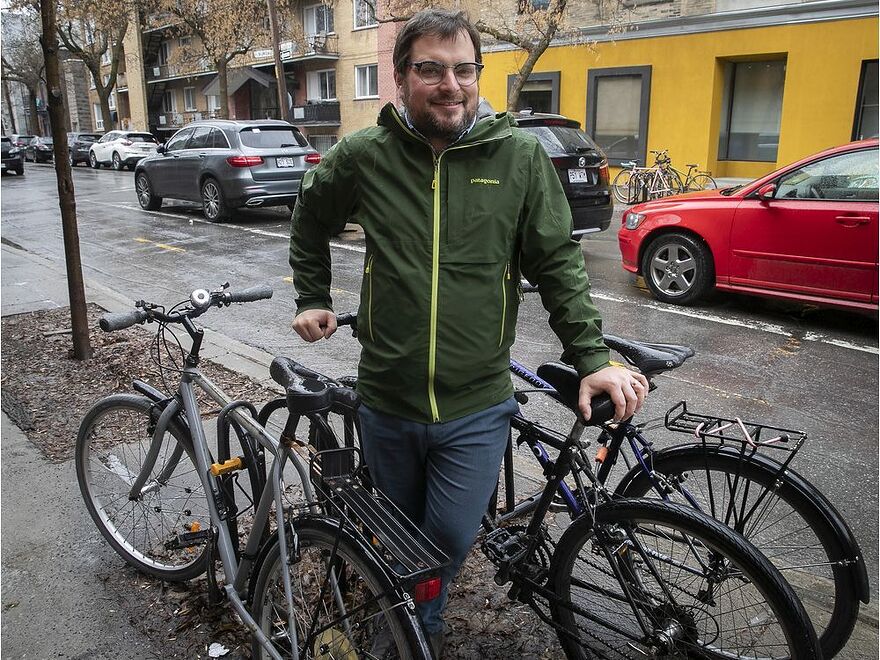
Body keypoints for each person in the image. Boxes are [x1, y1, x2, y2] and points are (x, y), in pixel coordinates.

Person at [289, 8, 648, 656]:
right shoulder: (365, 156)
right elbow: (310, 216)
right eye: (430, 69)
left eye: (463, 70)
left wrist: (592, 354)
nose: (449, 84)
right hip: (388, 398)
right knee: (397, 539)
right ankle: (401, 626)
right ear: (400, 79)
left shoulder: (515, 158)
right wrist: (313, 295)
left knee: (448, 538)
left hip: (476, 403)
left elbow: (558, 264)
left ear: (478, 77)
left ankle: (411, 632)